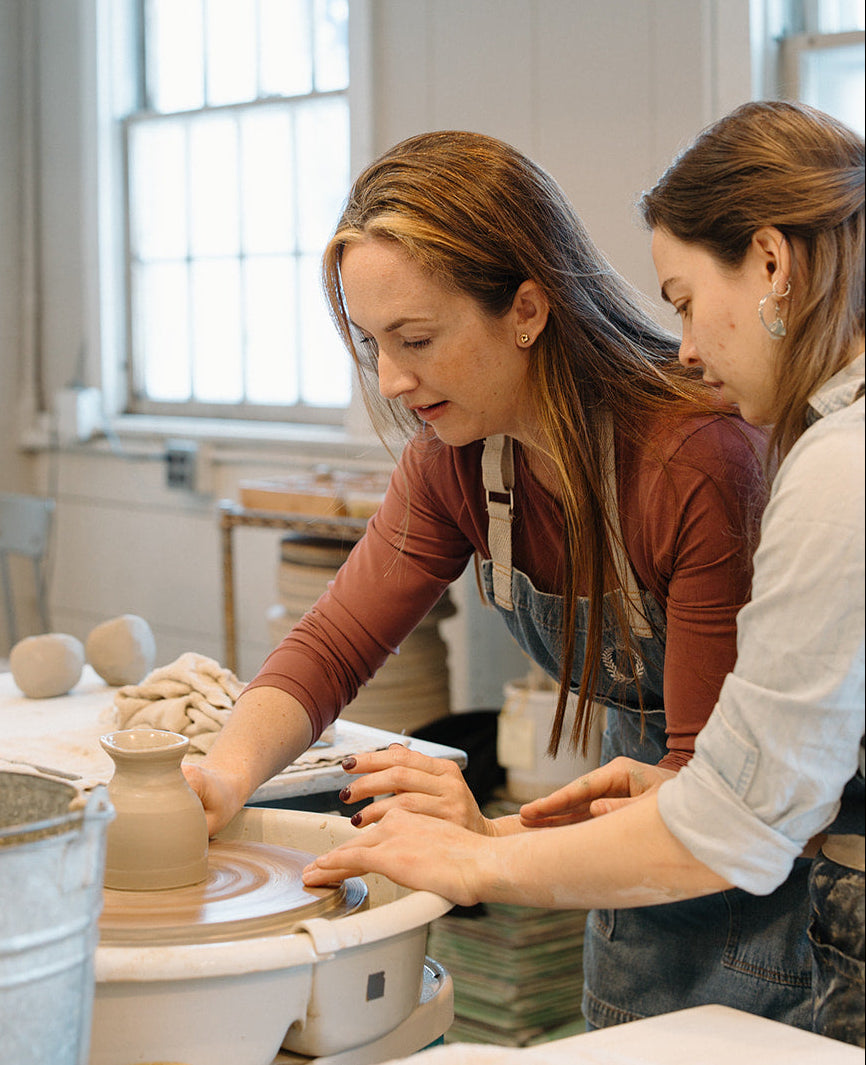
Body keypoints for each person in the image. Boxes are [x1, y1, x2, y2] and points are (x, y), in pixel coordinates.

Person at [186, 129, 813, 1031]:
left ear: (526, 307)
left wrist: (485, 843)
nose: (395, 380)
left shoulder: (695, 463)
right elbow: (332, 644)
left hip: (782, 895)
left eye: (418, 338)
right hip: (632, 882)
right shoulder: (458, 460)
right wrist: (223, 774)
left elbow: (705, 792)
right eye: (373, 346)